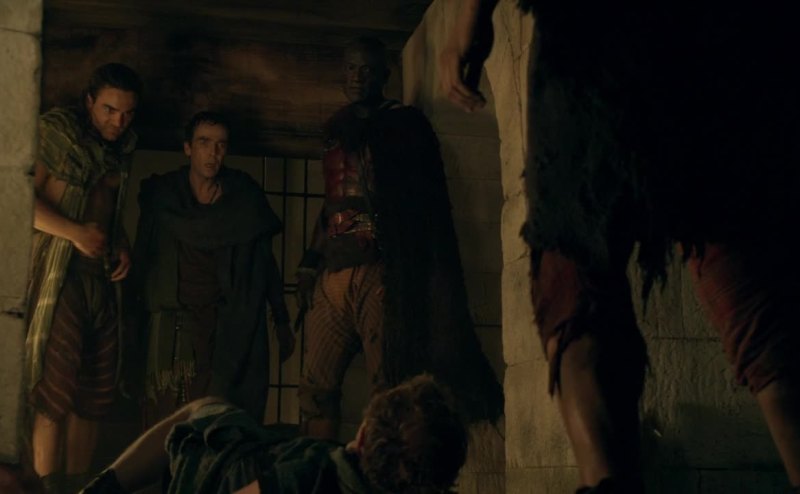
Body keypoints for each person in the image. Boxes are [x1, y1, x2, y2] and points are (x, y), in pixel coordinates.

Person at [441, 1, 800, 492]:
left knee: (573, 273)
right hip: (720, 44)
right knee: (755, 297)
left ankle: (606, 480)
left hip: (593, 42)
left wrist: (470, 16)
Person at [295, 36, 503, 440]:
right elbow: (332, 205)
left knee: (388, 386)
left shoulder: (404, 125)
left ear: (383, 76)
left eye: (367, 69)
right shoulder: (336, 129)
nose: (357, 77)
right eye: (351, 68)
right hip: (335, 271)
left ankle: (388, 466)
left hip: (380, 269)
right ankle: (316, 469)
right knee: (316, 388)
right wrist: (308, 264)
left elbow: (419, 204)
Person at [132, 111, 294, 426]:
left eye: (220, 145)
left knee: (219, 417)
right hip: (174, 321)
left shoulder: (242, 198)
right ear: (188, 148)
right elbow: (143, 260)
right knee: (167, 417)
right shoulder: (165, 196)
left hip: (228, 323)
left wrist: (282, 318)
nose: (213, 153)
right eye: (204, 143)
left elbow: (264, 261)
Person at [25, 62, 142, 493]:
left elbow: (107, 212)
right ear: (90, 101)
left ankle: (79, 490)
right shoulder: (57, 134)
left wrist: (121, 244)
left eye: (127, 113)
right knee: (54, 391)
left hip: (101, 280)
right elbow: (17, 201)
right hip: (60, 277)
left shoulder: (121, 150)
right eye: (110, 110)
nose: (118, 121)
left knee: (94, 396)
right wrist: (74, 232)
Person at [80, 374, 467, 494]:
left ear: (363, 437)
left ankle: (100, 490)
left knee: (202, 411)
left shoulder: (311, 476)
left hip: (223, 473)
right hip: (267, 449)